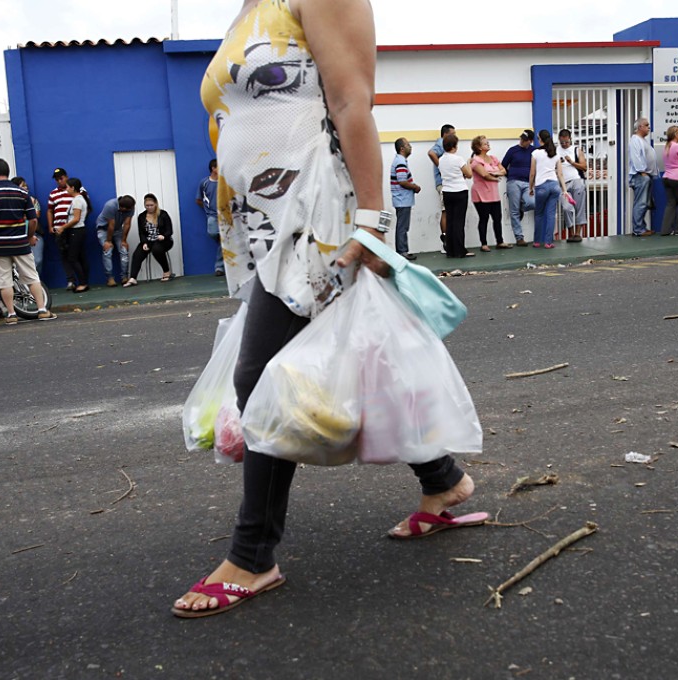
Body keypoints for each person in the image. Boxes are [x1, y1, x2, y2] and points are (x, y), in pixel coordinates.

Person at [175, 0, 483, 618]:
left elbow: (350, 103)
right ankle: (443, 482)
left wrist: (369, 222)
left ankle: (253, 556)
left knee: (259, 374)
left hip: (317, 214)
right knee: (367, 358)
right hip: (268, 223)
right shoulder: (248, 9)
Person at [0, 158, 56, 324]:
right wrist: (29, 236)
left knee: (4, 281)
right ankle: (42, 309)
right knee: (32, 276)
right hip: (20, 243)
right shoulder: (22, 193)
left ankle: (11, 314)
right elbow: (33, 220)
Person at [469, 135, 509, 251]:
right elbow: (484, 175)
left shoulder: (493, 158)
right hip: (481, 194)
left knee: (497, 218)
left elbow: (503, 170)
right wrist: (496, 176)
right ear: (479, 147)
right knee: (484, 218)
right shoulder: (476, 161)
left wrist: (494, 173)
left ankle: (500, 241)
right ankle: (484, 243)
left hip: (493, 193)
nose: (488, 145)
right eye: (485, 143)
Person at [123, 193, 173, 286]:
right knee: (138, 253)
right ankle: (133, 278)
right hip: (149, 241)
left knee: (156, 249)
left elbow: (169, 230)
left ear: (156, 204)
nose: (149, 207)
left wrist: (164, 236)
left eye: (151, 205)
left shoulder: (163, 214)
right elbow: (141, 233)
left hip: (163, 241)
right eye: (147, 205)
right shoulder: (141, 217)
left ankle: (166, 272)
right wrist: (144, 242)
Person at [529, 129, 566, 248]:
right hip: (555, 185)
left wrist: (530, 187)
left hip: (541, 186)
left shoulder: (536, 153)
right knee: (551, 214)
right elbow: (560, 174)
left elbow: (532, 173)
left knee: (539, 214)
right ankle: (548, 242)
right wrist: (564, 189)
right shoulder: (555, 154)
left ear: (540, 139)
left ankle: (536, 241)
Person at [438, 133, 474, 258]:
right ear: (454, 146)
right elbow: (468, 174)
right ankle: (460, 250)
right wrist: (469, 162)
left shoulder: (441, 160)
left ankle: (450, 250)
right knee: (459, 222)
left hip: (447, 191)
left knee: (450, 221)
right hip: (460, 191)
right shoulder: (458, 159)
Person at [502, 129, 538, 245]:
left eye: (525, 140)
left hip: (528, 182)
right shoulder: (513, 150)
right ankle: (519, 237)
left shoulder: (534, 151)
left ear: (531, 141)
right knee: (514, 211)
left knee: (531, 202)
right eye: (522, 139)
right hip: (513, 182)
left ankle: (521, 207)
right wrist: (510, 176)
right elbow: (503, 165)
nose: (522, 141)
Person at [56, 178, 91, 292]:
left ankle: (82, 282)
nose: (66, 189)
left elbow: (76, 219)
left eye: (67, 187)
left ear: (73, 188)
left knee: (72, 258)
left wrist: (63, 227)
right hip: (78, 231)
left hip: (76, 231)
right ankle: (84, 281)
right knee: (81, 257)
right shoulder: (78, 199)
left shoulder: (77, 200)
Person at [390, 137, 421, 260]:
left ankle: (402, 250)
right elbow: (402, 181)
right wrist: (415, 187)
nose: (410, 146)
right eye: (408, 144)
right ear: (402, 148)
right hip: (402, 199)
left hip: (402, 199)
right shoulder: (400, 162)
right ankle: (402, 252)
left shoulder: (400, 161)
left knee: (402, 226)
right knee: (402, 227)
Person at [94, 195, 135, 286]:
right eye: (128, 210)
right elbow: (111, 225)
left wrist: (124, 240)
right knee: (107, 251)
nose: (131, 211)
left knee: (124, 250)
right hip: (103, 229)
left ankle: (124, 277)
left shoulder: (130, 206)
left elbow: (127, 224)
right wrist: (108, 241)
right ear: (122, 208)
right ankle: (110, 278)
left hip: (117, 230)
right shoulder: (110, 205)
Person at [47, 168, 76, 290]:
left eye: (61, 178)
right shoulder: (53, 193)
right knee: (64, 255)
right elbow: (50, 210)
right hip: (59, 229)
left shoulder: (76, 190)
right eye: (57, 179)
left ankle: (82, 280)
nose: (59, 181)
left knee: (75, 254)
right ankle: (70, 280)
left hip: (73, 228)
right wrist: (50, 226)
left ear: (66, 177)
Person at [557, 128, 588, 242]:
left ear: (570, 139)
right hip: (563, 183)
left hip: (577, 180)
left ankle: (577, 233)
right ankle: (570, 232)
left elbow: (584, 167)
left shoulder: (576, 150)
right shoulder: (556, 151)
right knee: (566, 207)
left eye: (566, 142)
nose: (564, 145)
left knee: (579, 207)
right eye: (562, 142)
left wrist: (572, 162)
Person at [627, 117, 657, 236]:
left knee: (644, 203)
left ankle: (642, 227)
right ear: (639, 127)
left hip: (645, 175)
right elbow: (636, 157)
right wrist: (642, 171)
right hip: (640, 176)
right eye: (646, 125)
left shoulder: (642, 140)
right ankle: (638, 229)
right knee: (641, 203)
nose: (648, 127)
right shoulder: (635, 140)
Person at [428, 123, 455, 249]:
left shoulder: (446, 145)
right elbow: (431, 153)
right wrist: (442, 167)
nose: (454, 137)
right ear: (445, 134)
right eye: (452, 134)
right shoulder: (440, 143)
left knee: (449, 211)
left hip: (448, 183)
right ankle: (445, 239)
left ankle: (449, 239)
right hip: (443, 183)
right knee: (446, 211)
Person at [196, 159, 224, 275]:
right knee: (212, 233)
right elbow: (198, 200)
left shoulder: (225, 182)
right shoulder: (204, 183)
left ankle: (219, 268)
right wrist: (208, 210)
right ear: (213, 168)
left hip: (225, 216)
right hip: (212, 216)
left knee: (223, 242)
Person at [12, 177, 44, 271]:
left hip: (34, 233)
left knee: (37, 260)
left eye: (26, 185)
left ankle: (37, 283)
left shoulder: (32, 200)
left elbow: (36, 215)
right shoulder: (11, 202)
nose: (26, 187)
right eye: (23, 186)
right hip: (18, 236)